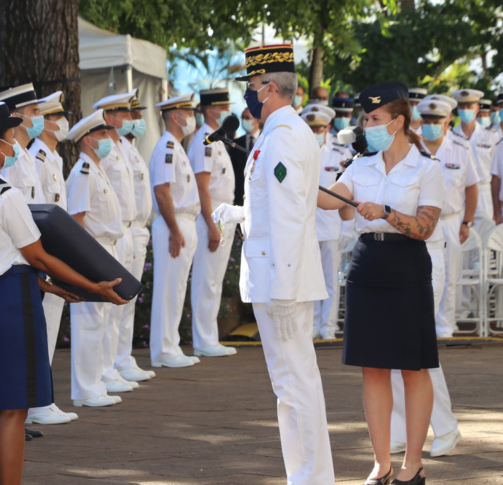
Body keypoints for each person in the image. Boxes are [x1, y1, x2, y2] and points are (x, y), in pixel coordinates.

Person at [0, 102, 126, 484]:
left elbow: (7, 257)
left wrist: (52, 288)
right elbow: (37, 256)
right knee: (13, 408)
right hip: (12, 303)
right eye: (11, 137)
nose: (16, 143)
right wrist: (89, 284)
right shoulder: (4, 192)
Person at [318, 80, 444, 485]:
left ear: (399, 122)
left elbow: (424, 227)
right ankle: (381, 463)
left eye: (375, 119)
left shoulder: (427, 169)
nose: (367, 125)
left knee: (412, 367)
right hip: (366, 267)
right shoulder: (359, 165)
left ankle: (412, 463)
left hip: (406, 267)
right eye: (365, 118)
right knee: (372, 368)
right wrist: (301, 172)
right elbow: (330, 199)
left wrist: (387, 212)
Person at [232, 44, 333, 483]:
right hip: (277, 275)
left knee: (294, 386)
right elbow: (276, 208)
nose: (248, 96)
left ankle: (310, 478)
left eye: (252, 88)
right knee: (291, 386)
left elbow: (291, 215)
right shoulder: (279, 132)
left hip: (281, 282)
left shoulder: (284, 135)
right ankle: (307, 475)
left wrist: (284, 290)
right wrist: (236, 214)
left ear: (269, 88)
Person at [388, 94, 471, 460]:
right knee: (392, 348)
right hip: (394, 259)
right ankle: (402, 429)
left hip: (427, 255)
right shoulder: (389, 162)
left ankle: (446, 427)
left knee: (415, 347)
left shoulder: (423, 163)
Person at [65, 108, 131, 405]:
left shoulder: (96, 169)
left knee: (102, 320)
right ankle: (85, 389)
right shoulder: (82, 173)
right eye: (103, 135)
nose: (109, 139)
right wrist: (85, 262)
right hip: (93, 249)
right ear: (88, 140)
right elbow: (76, 222)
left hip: (107, 247)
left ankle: (98, 379)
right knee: (89, 322)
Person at [25, 91, 79, 425]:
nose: (63, 123)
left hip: (56, 249)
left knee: (51, 324)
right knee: (42, 326)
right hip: (44, 253)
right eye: (57, 116)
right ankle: (36, 403)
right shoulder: (36, 158)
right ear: (44, 121)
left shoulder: (52, 158)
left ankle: (42, 399)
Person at [92, 92, 142, 393]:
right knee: (108, 309)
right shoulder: (105, 153)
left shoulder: (122, 148)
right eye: (124, 114)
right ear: (109, 117)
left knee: (123, 306)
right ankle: (104, 368)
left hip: (126, 230)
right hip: (112, 232)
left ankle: (117, 361)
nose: (131, 120)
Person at [148, 93, 202, 368]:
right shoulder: (167, 148)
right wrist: (173, 229)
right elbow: (162, 190)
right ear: (176, 117)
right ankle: (164, 350)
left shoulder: (176, 147)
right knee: (169, 288)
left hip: (182, 222)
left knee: (177, 288)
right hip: (175, 222)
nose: (193, 117)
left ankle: (171, 346)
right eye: (188, 112)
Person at [186, 88, 238, 357]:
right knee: (207, 279)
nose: (228, 109)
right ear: (210, 110)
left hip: (221, 213)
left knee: (214, 279)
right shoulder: (205, 140)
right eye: (224, 105)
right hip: (212, 214)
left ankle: (209, 337)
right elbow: (202, 186)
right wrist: (211, 223)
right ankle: (204, 340)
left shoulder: (217, 139)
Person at [113, 92, 157, 383]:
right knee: (118, 302)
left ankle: (123, 357)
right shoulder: (116, 151)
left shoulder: (130, 148)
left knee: (129, 300)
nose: (137, 120)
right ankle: (115, 362)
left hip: (137, 228)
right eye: (131, 115)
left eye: (137, 115)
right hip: (123, 229)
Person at [301, 104, 350, 340]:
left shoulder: (341, 154)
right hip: (305, 227)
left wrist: (348, 227)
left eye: (319, 128)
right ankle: (310, 326)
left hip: (331, 226)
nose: (315, 132)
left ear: (328, 128)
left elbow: (350, 190)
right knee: (307, 279)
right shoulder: (296, 151)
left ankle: (328, 326)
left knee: (331, 280)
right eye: (311, 128)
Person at [451, 88, 500, 224]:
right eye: (462, 106)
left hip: (484, 196)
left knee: (484, 241)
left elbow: (497, 174)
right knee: (460, 240)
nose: (465, 110)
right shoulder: (450, 136)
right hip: (458, 195)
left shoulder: (490, 136)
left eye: (469, 106)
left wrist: (498, 209)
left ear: (477, 108)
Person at [0, 83, 46, 203]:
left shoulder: (26, 154)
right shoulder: (10, 158)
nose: (40, 116)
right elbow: (6, 203)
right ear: (17, 117)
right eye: (34, 111)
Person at [229, 108, 260, 206]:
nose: (244, 120)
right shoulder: (236, 144)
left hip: (260, 196)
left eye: (247, 118)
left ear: (257, 120)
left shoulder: (266, 141)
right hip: (240, 198)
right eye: (242, 117)